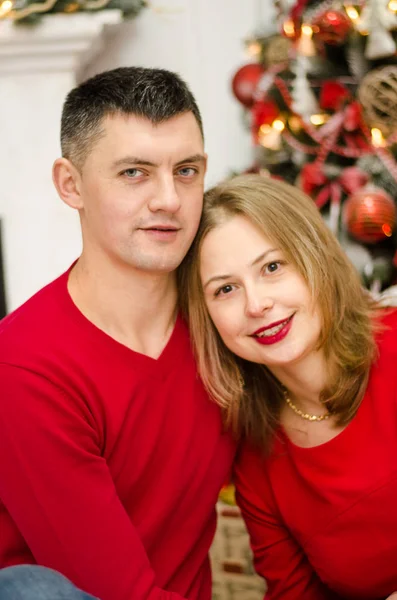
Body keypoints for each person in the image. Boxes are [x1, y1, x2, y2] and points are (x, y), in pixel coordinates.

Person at [0, 67, 236, 600]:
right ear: (71, 184)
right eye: (134, 172)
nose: (169, 200)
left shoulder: (227, 319)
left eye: (186, 170)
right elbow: (115, 593)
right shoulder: (24, 368)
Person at [179, 173, 397, 600]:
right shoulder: (257, 459)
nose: (256, 304)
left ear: (314, 258)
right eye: (225, 289)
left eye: (272, 267)